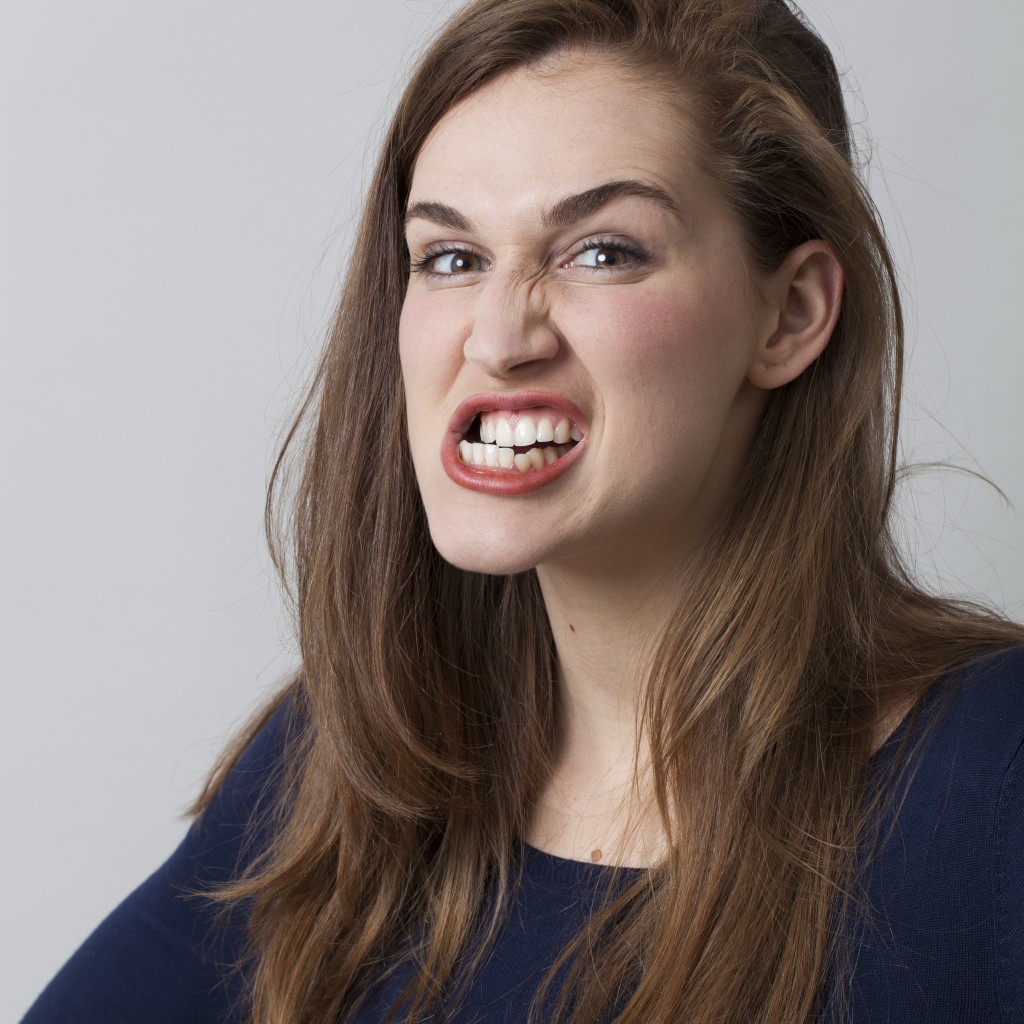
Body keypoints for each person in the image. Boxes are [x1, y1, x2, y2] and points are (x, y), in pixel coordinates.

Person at [22, 0, 1024, 1021]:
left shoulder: (995, 779)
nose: (499, 338)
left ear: (792, 312)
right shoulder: (344, 765)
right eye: (451, 258)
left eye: (602, 251)